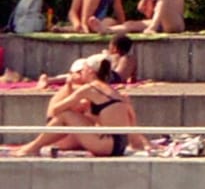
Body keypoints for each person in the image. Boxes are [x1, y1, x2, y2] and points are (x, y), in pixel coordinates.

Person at [11, 58, 146, 157]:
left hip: (106, 145)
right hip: (120, 145)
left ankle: (34, 146)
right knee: (73, 117)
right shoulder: (112, 91)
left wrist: (71, 94)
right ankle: (34, 146)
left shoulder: (90, 89)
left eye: (84, 70)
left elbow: (55, 110)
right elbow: (128, 118)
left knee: (65, 115)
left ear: (91, 71)